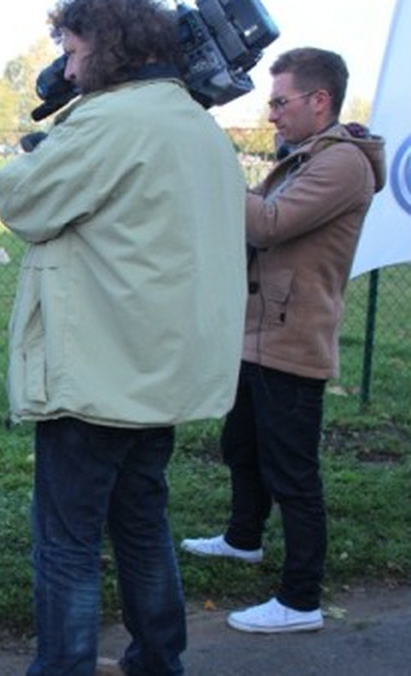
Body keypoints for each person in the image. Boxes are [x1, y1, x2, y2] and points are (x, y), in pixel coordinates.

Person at [0, 1, 247, 674]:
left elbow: (24, 202)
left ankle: (65, 667)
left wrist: (39, 151)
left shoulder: (110, 121)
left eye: (72, 53)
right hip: (161, 370)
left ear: (107, 47)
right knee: (140, 524)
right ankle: (160, 660)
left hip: (97, 372)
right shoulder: (195, 122)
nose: (66, 69)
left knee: (68, 543)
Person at [180, 48, 385, 634]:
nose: (271, 114)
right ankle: (244, 538)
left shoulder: (342, 163)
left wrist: (215, 167)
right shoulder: (307, 156)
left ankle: (301, 600)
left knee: (293, 473)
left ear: (320, 100)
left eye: (279, 101)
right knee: (241, 445)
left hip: (294, 340)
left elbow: (269, 224)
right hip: (259, 332)